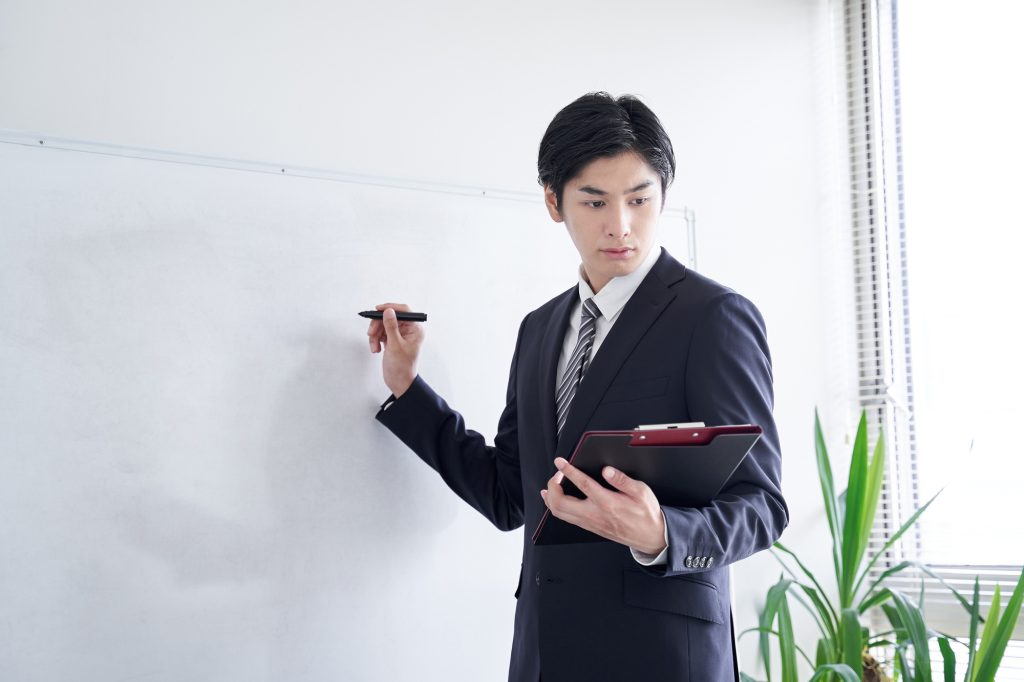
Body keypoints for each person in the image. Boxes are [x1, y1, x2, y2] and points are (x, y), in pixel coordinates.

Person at [366, 92, 788, 682]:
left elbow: (763, 506)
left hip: (662, 657)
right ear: (553, 202)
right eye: (594, 201)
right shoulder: (539, 329)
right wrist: (407, 387)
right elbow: (510, 493)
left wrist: (662, 533)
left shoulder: (713, 316)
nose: (620, 225)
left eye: (640, 199)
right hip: (543, 654)